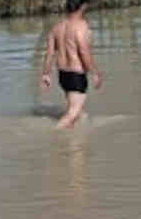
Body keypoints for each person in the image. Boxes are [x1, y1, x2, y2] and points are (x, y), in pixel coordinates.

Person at [39, 0, 102, 129]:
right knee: (73, 113)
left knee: (76, 114)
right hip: (76, 75)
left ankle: (72, 147)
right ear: (82, 7)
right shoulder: (81, 26)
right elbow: (84, 52)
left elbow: (50, 53)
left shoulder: (56, 27)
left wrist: (46, 74)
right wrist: (95, 73)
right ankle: (52, 135)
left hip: (63, 75)